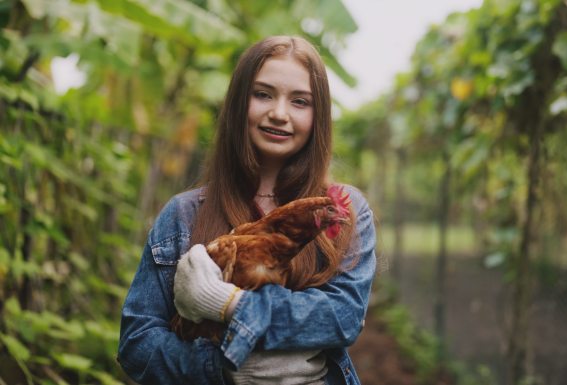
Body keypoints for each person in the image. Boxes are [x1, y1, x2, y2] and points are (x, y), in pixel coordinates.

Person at [117, 35, 377, 385]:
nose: (279, 113)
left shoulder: (343, 210)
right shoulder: (184, 215)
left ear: (319, 116)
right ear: (240, 102)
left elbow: (343, 317)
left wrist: (231, 305)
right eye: (263, 94)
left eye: (300, 101)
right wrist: (220, 368)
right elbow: (136, 343)